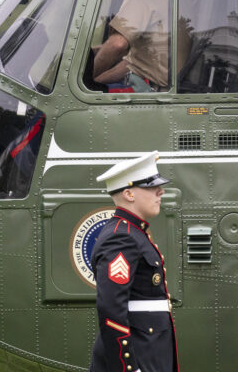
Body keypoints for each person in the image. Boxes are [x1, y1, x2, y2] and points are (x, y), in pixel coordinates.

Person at [88, 152, 178, 372]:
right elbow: (111, 309)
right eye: (152, 187)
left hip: (149, 353)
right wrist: (127, 367)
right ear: (129, 194)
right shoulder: (122, 237)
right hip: (138, 359)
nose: (161, 192)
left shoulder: (133, 233)